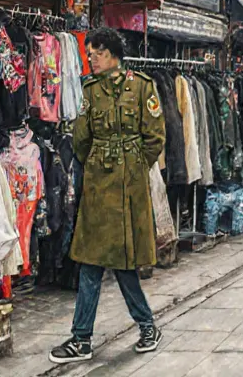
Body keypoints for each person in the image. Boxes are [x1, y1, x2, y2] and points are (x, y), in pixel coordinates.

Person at [51, 28, 163, 364]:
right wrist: (102, 166)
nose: (92, 60)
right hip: (99, 188)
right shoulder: (90, 90)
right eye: (89, 54)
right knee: (92, 261)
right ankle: (84, 337)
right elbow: (80, 140)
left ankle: (144, 327)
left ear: (112, 53)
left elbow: (155, 138)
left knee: (123, 263)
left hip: (130, 188)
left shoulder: (143, 86)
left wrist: (132, 165)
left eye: (96, 53)